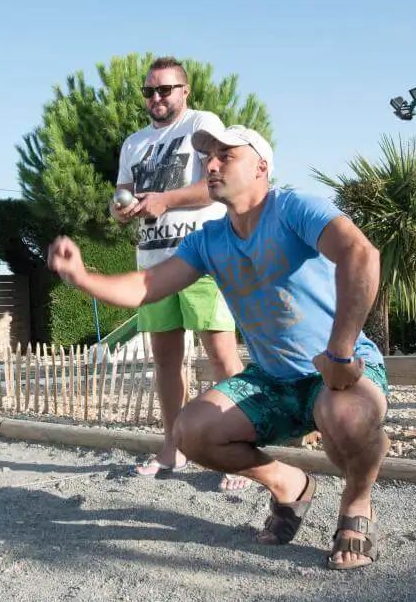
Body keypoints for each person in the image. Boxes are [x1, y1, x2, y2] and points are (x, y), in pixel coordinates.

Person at [49, 124, 389, 571]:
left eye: (225, 155)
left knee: (344, 416)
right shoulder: (210, 240)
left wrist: (342, 352)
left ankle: (356, 504)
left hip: (340, 369)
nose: (210, 164)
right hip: (272, 381)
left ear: (261, 166)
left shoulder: (293, 208)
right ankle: (288, 483)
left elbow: (360, 254)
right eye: (207, 156)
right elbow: (148, 285)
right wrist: (83, 278)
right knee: (189, 432)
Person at [113, 55, 247, 491]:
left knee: (222, 357)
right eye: (149, 91)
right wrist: (120, 205)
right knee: (165, 361)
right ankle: (173, 447)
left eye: (164, 89)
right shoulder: (133, 143)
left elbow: (214, 184)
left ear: (184, 91)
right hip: (152, 263)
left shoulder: (202, 124)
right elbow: (126, 190)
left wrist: (165, 200)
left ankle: (238, 451)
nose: (156, 97)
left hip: (200, 258)